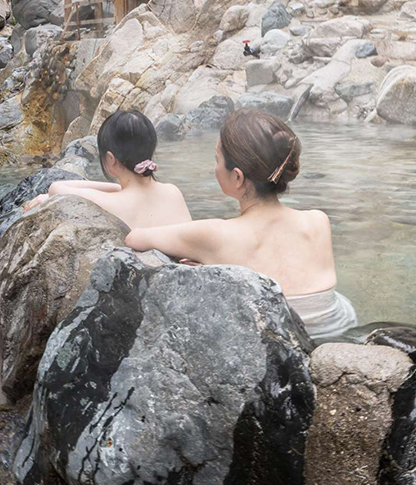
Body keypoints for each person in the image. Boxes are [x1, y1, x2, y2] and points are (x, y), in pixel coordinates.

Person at [124, 109, 356, 340]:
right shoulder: (318, 220)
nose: (214, 168)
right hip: (335, 328)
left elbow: (134, 238)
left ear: (237, 177)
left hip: (275, 337)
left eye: (217, 160)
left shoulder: (215, 234)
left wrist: (208, 271)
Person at [24, 110, 191, 230]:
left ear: (111, 159)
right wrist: (119, 188)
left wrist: (46, 197)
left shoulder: (114, 203)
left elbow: (56, 188)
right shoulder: (173, 192)